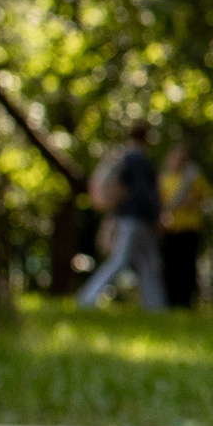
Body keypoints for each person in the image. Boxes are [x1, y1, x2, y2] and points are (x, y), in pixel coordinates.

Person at [77, 125, 166, 310]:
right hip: (136, 218)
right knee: (122, 260)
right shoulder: (138, 160)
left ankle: (156, 307)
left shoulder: (124, 158)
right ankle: (87, 298)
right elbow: (144, 192)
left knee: (148, 263)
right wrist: (156, 214)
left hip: (129, 217)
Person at [159, 138, 213, 308]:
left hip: (190, 228)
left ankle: (185, 302)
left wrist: (193, 203)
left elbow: (208, 200)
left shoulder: (194, 178)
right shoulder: (164, 179)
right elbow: (159, 203)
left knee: (187, 267)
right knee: (170, 267)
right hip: (170, 229)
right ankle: (168, 302)